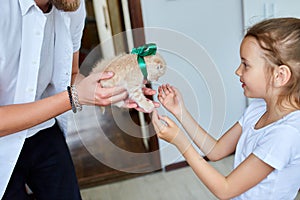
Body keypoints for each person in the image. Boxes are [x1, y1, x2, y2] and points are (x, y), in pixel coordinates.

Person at [0, 0, 157, 199]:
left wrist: (113, 89)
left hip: (44, 128)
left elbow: (71, 75)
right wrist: (73, 97)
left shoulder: (71, 5)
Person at [152, 17, 300, 199]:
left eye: (246, 65)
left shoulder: (287, 133)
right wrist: (180, 111)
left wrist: (180, 141)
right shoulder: (258, 109)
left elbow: (225, 189)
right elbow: (215, 151)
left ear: (280, 75)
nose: (238, 71)